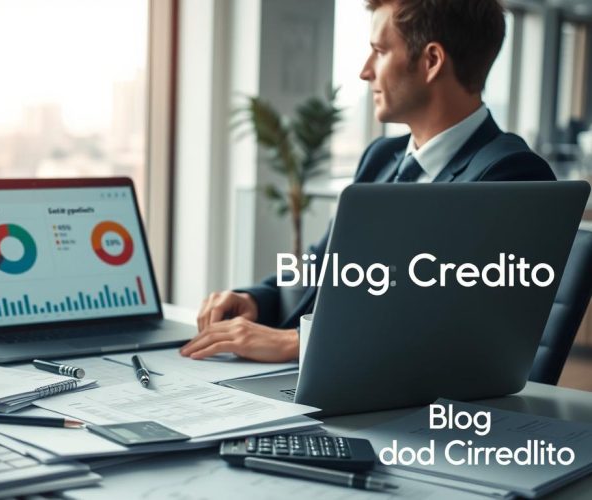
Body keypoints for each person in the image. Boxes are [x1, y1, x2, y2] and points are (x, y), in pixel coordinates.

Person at [181, 0, 555, 363]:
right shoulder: (381, 157)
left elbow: (451, 325)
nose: (365, 71)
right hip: (334, 378)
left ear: (431, 61)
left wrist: (298, 342)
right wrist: (256, 300)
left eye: (379, 51)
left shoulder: (511, 174)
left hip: (421, 398)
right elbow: (321, 265)